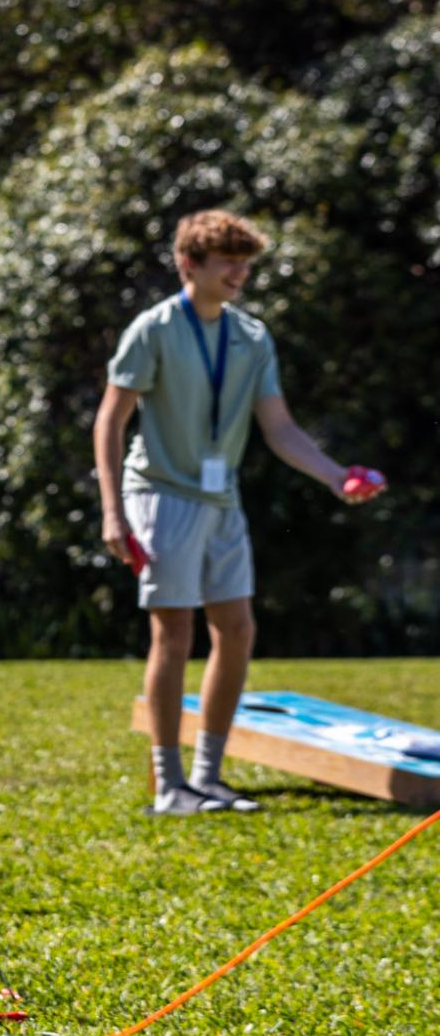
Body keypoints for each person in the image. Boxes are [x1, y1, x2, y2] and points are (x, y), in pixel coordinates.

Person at [93, 210, 386, 815]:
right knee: (173, 634)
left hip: (221, 500)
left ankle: (208, 776)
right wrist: (113, 513)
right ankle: (169, 783)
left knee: (238, 630)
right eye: (229, 262)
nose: (240, 274)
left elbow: (278, 427)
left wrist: (336, 478)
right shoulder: (153, 329)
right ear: (189, 264)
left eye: (246, 263)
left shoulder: (250, 337)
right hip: (161, 495)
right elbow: (111, 419)